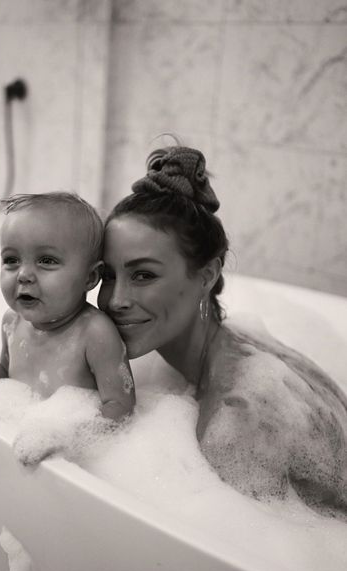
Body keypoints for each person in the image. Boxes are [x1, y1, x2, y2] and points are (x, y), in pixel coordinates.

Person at [98, 145, 347, 518]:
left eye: (144, 275)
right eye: (108, 276)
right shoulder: (244, 346)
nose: (116, 300)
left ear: (207, 275)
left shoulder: (236, 423)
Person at [0, 192, 135, 429]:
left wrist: (68, 438)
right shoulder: (13, 322)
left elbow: (120, 408)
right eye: (11, 260)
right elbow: (5, 371)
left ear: (90, 277)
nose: (23, 274)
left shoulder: (95, 333)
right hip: (16, 436)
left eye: (46, 260)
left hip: (65, 455)